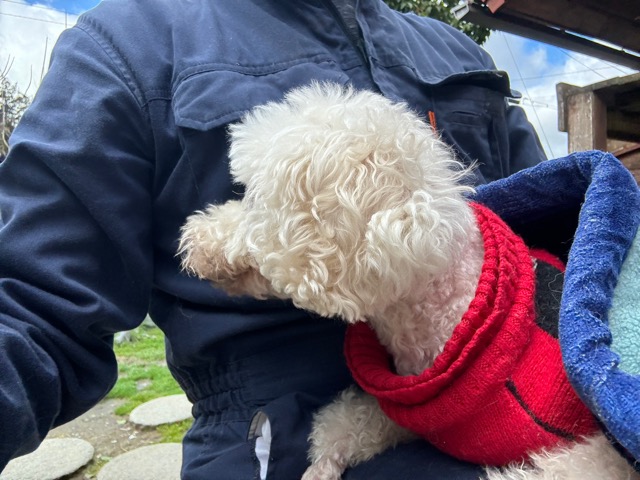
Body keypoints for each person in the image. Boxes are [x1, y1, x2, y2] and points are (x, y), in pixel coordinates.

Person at [0, 0, 546, 478]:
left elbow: (555, 233)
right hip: (277, 446)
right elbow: (31, 305)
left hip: (522, 397)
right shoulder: (130, 41)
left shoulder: (457, 50)